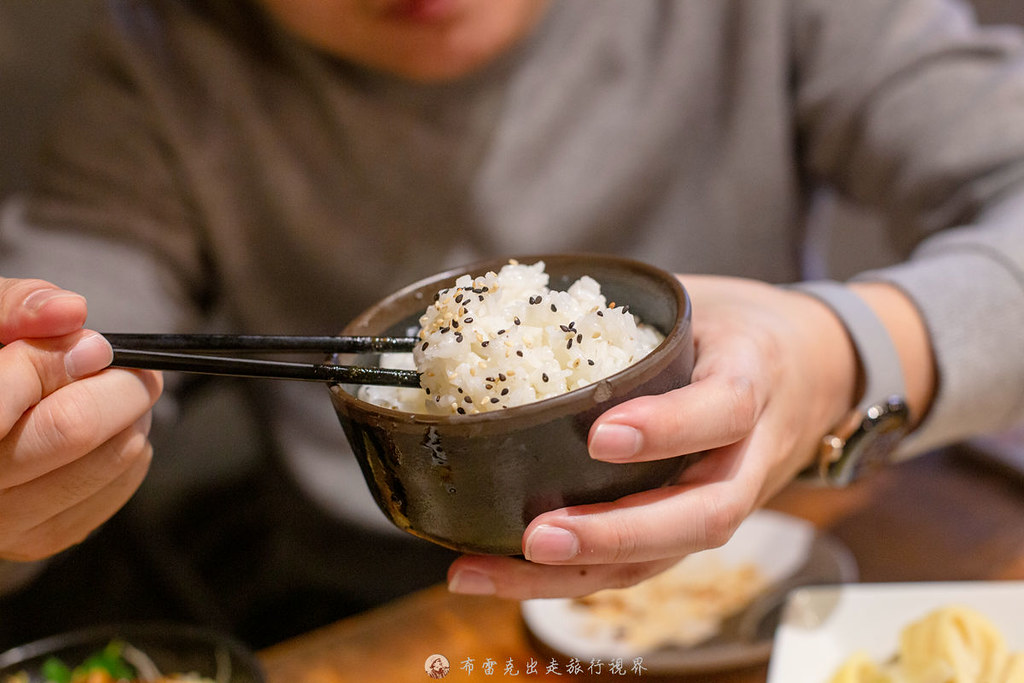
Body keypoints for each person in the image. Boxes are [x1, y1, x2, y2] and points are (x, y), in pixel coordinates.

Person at [1, 0, 1023, 641]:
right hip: (377, 598)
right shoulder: (160, 53)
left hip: (778, 556)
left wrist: (840, 351)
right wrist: (28, 458)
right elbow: (76, 321)